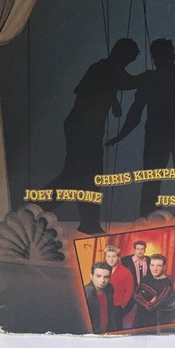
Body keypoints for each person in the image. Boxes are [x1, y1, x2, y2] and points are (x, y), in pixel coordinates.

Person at [47, 38, 140, 234]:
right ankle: (39, 207)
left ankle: (86, 221)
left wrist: (112, 99)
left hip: (85, 128)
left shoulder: (106, 68)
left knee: (83, 175)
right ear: (122, 54)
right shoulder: (105, 68)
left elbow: (115, 82)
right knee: (78, 175)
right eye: (129, 58)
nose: (128, 62)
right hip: (83, 128)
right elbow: (125, 82)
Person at [106, 39, 175, 217]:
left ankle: (157, 217)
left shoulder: (152, 78)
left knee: (156, 180)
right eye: (160, 56)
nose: (161, 60)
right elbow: (135, 111)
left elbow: (134, 109)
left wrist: (121, 134)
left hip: (164, 135)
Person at [133, 254, 175, 329]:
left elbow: (152, 307)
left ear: (164, 267)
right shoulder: (146, 278)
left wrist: (142, 296)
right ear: (149, 266)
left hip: (152, 321)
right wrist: (148, 302)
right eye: (152, 265)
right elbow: (135, 294)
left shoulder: (167, 285)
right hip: (138, 317)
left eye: (159, 266)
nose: (155, 269)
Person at [103, 245, 134, 330]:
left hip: (116, 307)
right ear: (105, 258)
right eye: (108, 256)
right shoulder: (102, 270)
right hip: (103, 305)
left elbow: (130, 290)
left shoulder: (125, 271)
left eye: (113, 256)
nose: (111, 259)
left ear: (118, 258)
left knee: (116, 329)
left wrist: (122, 304)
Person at [120, 239, 149, 327]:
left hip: (143, 292)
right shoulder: (126, 260)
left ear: (145, 250)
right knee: (123, 311)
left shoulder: (148, 260)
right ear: (135, 249)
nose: (140, 251)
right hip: (131, 291)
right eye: (138, 249)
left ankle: (136, 328)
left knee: (142, 313)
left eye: (142, 249)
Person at [83, 261, 117, 333]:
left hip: (107, 332)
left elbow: (110, 313)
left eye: (106, 277)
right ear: (91, 276)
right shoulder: (85, 292)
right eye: (98, 276)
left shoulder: (110, 288)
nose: (102, 281)